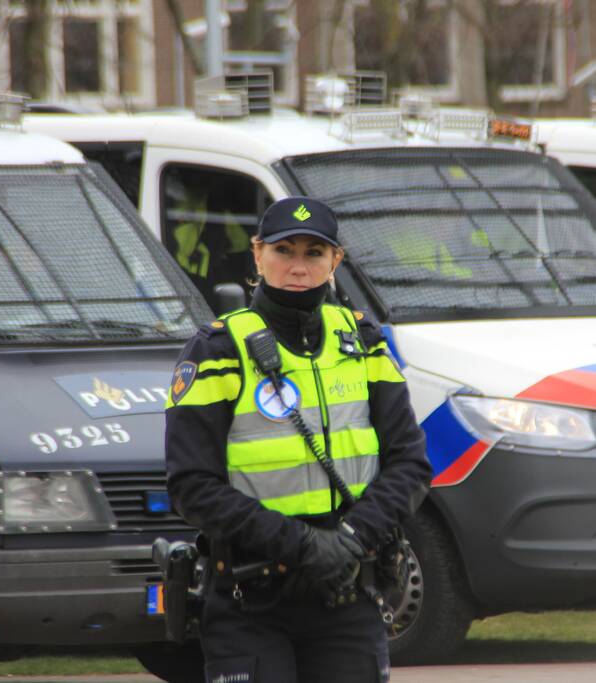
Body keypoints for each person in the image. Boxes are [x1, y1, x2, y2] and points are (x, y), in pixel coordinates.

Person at [165, 196, 432, 683]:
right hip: (252, 600)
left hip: (349, 589)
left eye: (314, 253)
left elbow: (410, 465)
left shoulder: (364, 343)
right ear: (257, 253)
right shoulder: (217, 350)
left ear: (336, 261)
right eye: (284, 250)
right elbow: (192, 486)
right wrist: (305, 545)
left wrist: (351, 538)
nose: (298, 266)